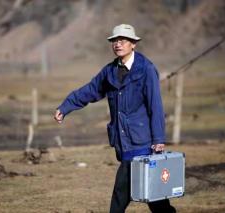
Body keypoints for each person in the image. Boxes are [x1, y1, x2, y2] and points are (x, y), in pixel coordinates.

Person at [54, 24, 176, 213]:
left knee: (121, 195)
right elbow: (90, 90)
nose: (118, 44)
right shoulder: (109, 71)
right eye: (114, 40)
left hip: (142, 142)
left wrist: (159, 139)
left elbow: (155, 105)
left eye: (123, 40)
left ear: (133, 44)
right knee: (155, 196)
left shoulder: (146, 69)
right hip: (122, 141)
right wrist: (66, 106)